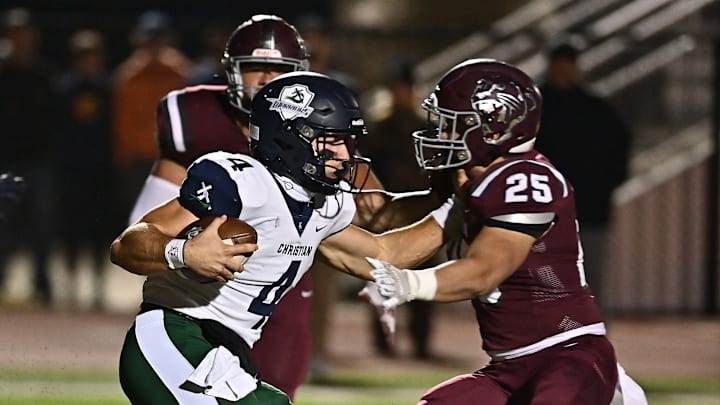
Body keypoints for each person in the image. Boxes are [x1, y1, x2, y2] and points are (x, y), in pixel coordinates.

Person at [110, 71, 446, 404]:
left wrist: (457, 209)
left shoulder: (324, 205)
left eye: (347, 141)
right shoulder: (241, 182)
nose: (345, 155)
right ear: (291, 138)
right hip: (173, 336)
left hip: (227, 355)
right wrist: (182, 251)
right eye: (331, 141)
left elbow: (386, 252)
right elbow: (127, 244)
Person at [364, 58, 645, 404]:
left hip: (569, 356)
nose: (442, 135)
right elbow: (388, 242)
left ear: (494, 128)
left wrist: (411, 284)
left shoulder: (525, 178)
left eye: (456, 124)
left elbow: (485, 270)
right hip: (509, 369)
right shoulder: (470, 187)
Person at [534, 35, 632, 309]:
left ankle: (589, 346)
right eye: (560, 61)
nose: (564, 67)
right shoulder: (535, 108)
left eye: (569, 61)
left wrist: (604, 188)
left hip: (589, 211)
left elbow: (620, 148)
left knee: (589, 286)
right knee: (542, 286)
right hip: (541, 215)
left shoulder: (597, 109)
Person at [364, 56, 451, 358]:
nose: (401, 92)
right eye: (396, 87)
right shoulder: (378, 128)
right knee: (383, 280)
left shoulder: (427, 127)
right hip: (388, 215)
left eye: (405, 87)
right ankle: (384, 341)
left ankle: (421, 343)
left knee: (424, 281)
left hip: (422, 212)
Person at [0, 7, 59, 305]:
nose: (20, 39)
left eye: (25, 33)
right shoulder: (3, 73)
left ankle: (42, 285)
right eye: (14, 33)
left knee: (41, 224)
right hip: (6, 161)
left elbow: (55, 121)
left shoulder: (43, 75)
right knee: (3, 223)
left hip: (38, 162)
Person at [112, 10, 192, 226]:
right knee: (140, 219)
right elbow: (122, 122)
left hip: (171, 157)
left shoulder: (179, 73)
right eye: (150, 40)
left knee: (175, 218)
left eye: (158, 39)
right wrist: (123, 157)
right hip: (138, 159)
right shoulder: (129, 76)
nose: (154, 46)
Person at [56, 29, 114, 310]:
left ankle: (97, 286)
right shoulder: (65, 88)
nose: (88, 61)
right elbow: (56, 131)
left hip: (100, 171)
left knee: (97, 229)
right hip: (71, 170)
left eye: (92, 55)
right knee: (72, 228)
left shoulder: (108, 88)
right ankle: (70, 285)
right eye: (83, 56)